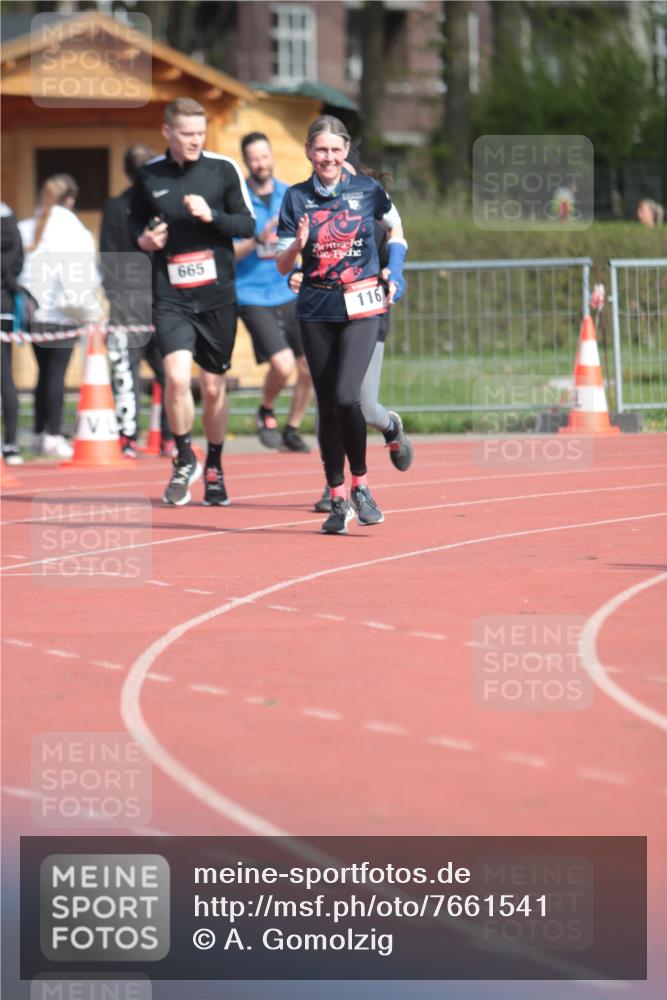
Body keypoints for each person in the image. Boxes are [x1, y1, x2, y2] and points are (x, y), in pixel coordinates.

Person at [276, 115, 408, 534]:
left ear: (346, 150)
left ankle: (361, 486)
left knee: (348, 396)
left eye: (335, 150)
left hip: (362, 305)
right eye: (321, 150)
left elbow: (397, 228)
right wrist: (296, 245)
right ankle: (337, 497)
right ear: (309, 153)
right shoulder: (295, 199)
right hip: (316, 309)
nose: (328, 157)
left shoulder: (368, 190)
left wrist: (396, 271)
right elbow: (282, 265)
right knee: (328, 405)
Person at [129, 97, 255, 506]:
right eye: (187, 134)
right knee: (178, 378)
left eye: (201, 133)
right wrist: (144, 241)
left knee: (214, 389)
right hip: (172, 296)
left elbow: (247, 224)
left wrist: (212, 216)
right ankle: (184, 457)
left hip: (217, 295)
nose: (195, 140)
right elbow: (132, 226)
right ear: (167, 133)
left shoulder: (222, 170)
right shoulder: (149, 177)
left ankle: (214, 465)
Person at [234, 132, 313, 453]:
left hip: (289, 290)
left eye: (265, 156)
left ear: (272, 156)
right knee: (282, 365)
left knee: (308, 366)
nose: (261, 163)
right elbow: (228, 253)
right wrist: (258, 239)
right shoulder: (237, 198)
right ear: (246, 161)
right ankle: (265, 409)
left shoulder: (289, 195)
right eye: (254, 158)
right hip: (251, 293)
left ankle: (292, 427)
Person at [18, 174, 102, 459]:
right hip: (61, 313)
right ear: (71, 200)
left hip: (31, 310)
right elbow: (84, 273)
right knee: (56, 375)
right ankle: (53, 434)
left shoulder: (26, 227)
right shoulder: (75, 229)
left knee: (43, 374)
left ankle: (41, 433)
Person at [100, 143, 175, 459]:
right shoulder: (149, 206)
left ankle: (134, 438)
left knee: (139, 371)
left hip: (145, 298)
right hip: (150, 298)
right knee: (164, 369)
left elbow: (107, 254)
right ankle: (165, 438)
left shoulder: (126, 206)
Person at [1, 202, 24, 464]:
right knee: (5, 376)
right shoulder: (9, 217)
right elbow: (17, 260)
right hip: (5, 302)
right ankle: (11, 444)